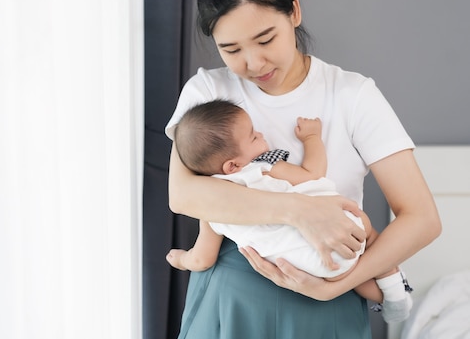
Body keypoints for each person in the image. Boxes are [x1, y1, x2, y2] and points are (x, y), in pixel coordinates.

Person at [165, 0, 440, 339]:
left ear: (294, 12)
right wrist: (300, 212)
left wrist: (338, 286)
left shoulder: (351, 94)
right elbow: (184, 195)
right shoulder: (208, 92)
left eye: (265, 39)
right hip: (231, 295)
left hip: (328, 295)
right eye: (230, 49)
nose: (253, 63)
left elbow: (422, 218)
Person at [166, 99, 413, 323]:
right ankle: (394, 296)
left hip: (307, 268)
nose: (260, 134)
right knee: (369, 237)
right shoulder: (262, 168)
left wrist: (181, 259)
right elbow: (313, 172)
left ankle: (390, 299)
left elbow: (202, 259)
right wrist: (312, 138)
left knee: (343, 274)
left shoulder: (212, 207)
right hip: (343, 226)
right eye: (253, 137)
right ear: (233, 165)